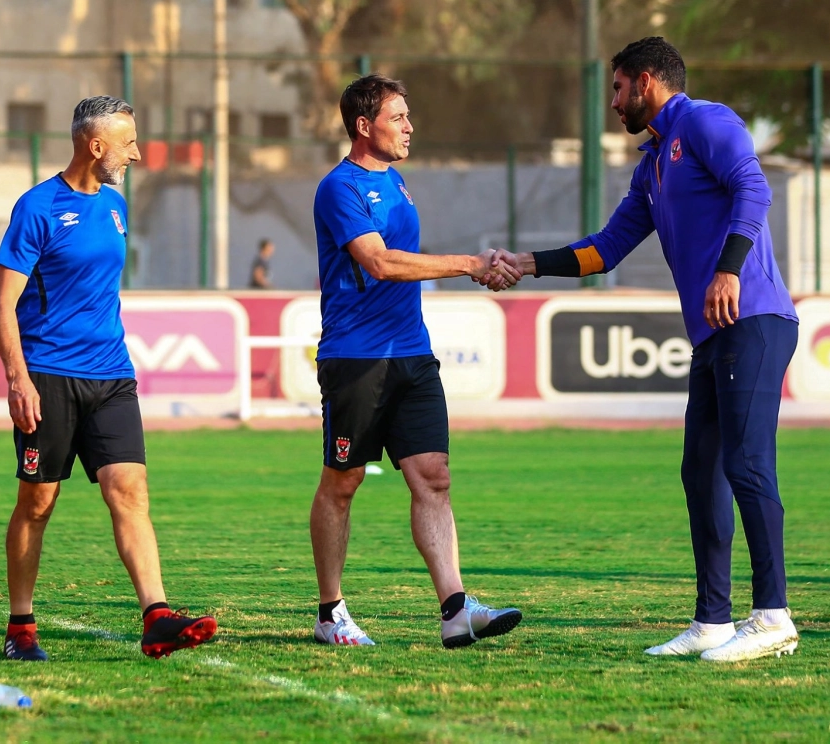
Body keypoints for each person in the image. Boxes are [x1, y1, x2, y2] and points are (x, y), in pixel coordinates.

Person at [492, 37, 800, 662]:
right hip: (716, 334)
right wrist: (528, 264)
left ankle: (773, 616)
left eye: (617, 87)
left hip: (755, 317)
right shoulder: (653, 164)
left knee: (745, 465)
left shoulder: (706, 121)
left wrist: (729, 269)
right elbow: (603, 250)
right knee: (700, 473)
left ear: (649, 82)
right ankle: (713, 620)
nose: (612, 102)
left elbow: (755, 191)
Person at [0, 95, 217, 661]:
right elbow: (2, 304)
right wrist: (18, 380)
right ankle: (21, 628)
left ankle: (156, 616)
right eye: (128, 142)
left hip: (111, 375)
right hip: (48, 376)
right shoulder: (36, 207)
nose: (137, 153)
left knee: (130, 491)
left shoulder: (115, 207)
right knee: (37, 504)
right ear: (96, 146)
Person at [310, 74, 523, 648]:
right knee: (344, 480)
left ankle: (455, 609)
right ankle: (330, 612)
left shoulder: (398, 182)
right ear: (364, 126)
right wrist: (471, 265)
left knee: (433, 477)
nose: (410, 126)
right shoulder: (339, 188)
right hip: (356, 359)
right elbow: (379, 263)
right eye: (398, 116)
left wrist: (477, 266)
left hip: (412, 353)